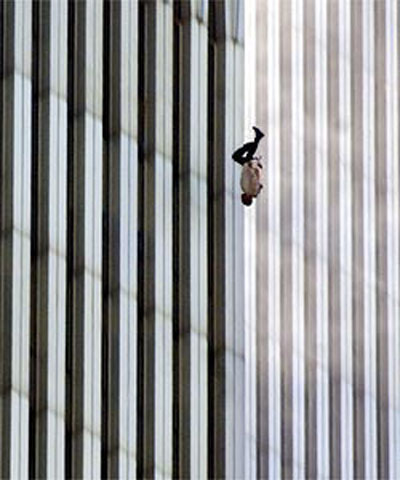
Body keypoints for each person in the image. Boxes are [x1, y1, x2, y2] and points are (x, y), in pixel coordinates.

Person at [232, 126, 265, 206]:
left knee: (238, 156)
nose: (242, 198)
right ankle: (256, 140)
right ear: (248, 199)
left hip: (248, 167)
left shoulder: (247, 190)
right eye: (244, 199)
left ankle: (254, 141)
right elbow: (255, 178)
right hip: (250, 167)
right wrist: (252, 167)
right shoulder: (252, 190)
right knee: (239, 156)